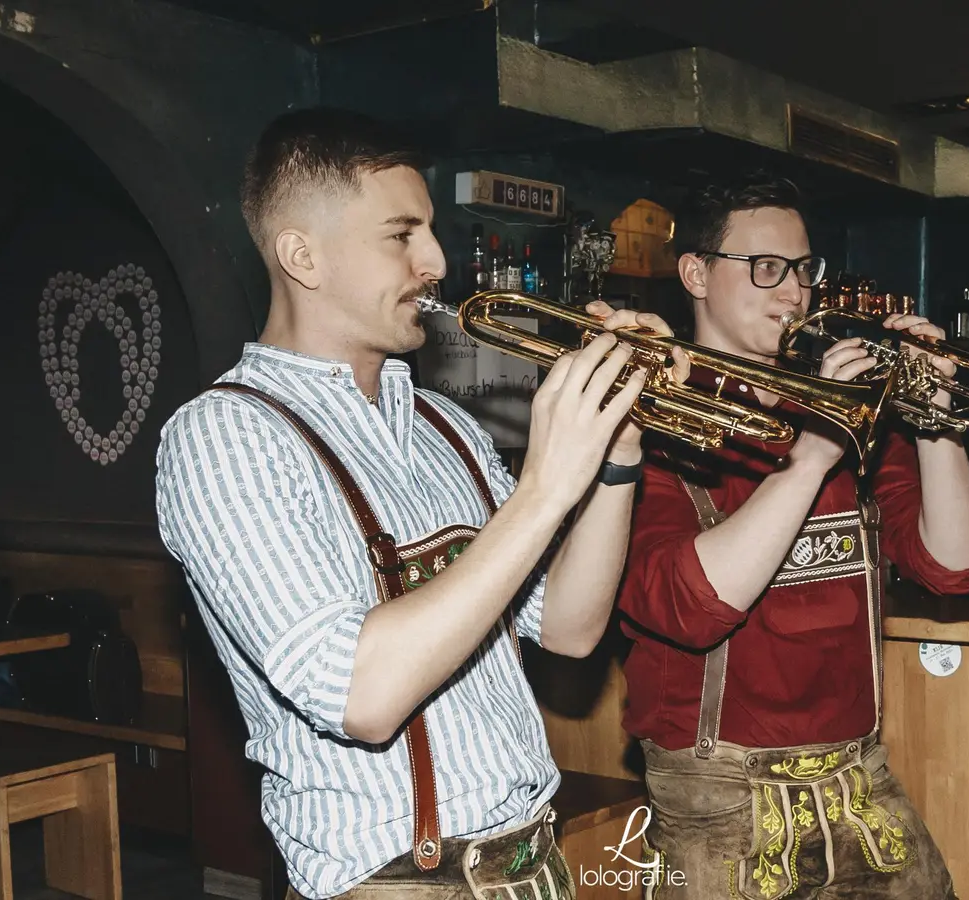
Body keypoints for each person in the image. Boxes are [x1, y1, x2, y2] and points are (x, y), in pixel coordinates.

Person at [154, 108, 687, 900]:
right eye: (401, 235)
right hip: (395, 883)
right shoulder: (222, 437)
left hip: (531, 864)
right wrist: (542, 490)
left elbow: (572, 631)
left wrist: (617, 458)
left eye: (430, 232)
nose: (435, 260)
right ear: (303, 256)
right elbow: (361, 698)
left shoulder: (446, 426)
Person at [616, 173, 969, 899]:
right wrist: (813, 455)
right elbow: (688, 608)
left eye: (802, 270)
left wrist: (932, 417)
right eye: (765, 269)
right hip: (718, 803)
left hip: (859, 779)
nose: (792, 292)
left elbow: (955, 568)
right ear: (695, 272)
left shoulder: (845, 420)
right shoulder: (650, 422)